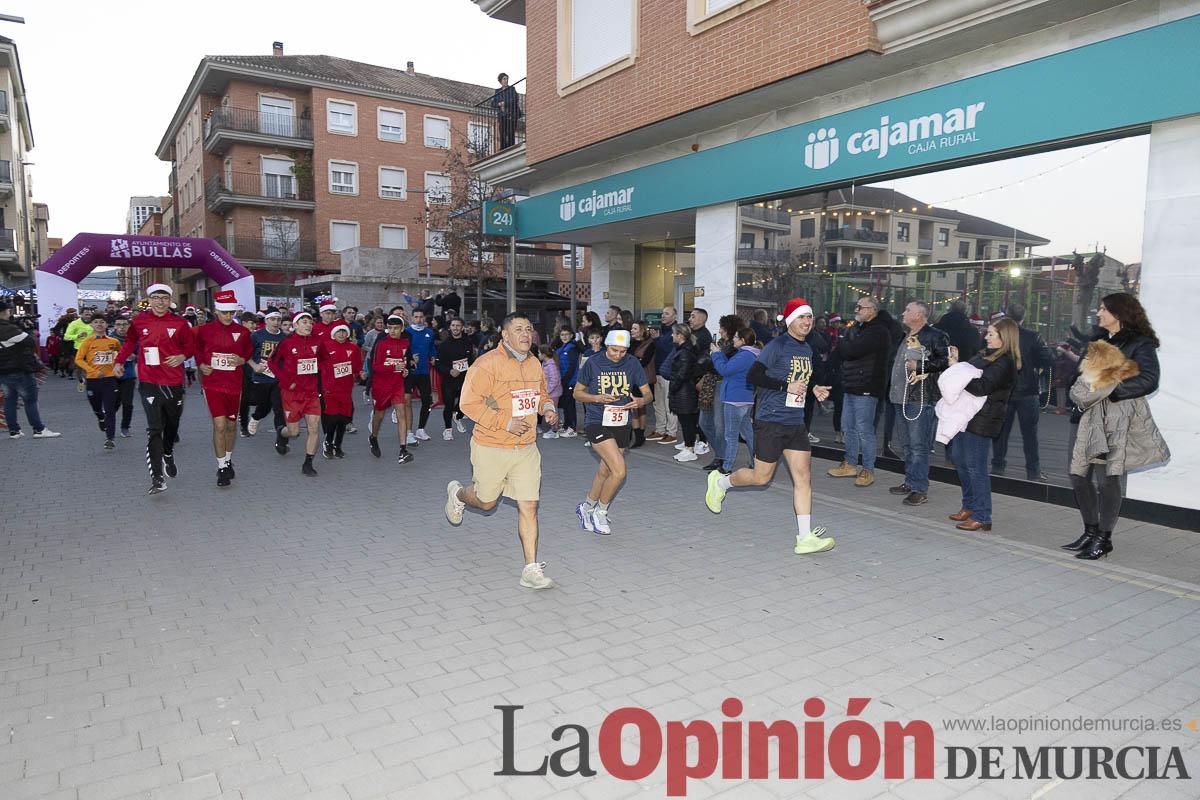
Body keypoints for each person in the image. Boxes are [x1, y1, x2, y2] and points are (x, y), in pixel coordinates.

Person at [703, 297, 837, 555]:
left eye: (809, 317)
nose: (807, 322)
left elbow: (799, 382)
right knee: (760, 477)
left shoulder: (806, 350)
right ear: (790, 321)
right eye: (801, 317)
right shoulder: (777, 346)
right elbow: (754, 376)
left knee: (803, 478)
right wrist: (786, 386)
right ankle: (720, 483)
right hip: (771, 420)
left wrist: (813, 389)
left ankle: (805, 537)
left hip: (795, 422)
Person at [444, 312, 558, 589]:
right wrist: (505, 422)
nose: (525, 334)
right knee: (486, 502)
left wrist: (548, 407)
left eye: (529, 329)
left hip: (527, 447)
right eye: (518, 329)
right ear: (505, 335)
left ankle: (531, 569)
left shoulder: (534, 364)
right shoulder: (486, 364)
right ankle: (458, 493)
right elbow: (468, 404)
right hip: (491, 446)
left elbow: (541, 394)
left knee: (529, 506)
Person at [1062, 293, 1167, 561]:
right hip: (1084, 417)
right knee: (1078, 475)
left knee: (1108, 480)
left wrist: (1112, 391)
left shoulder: (1139, 344)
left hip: (1114, 421)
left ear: (1119, 313)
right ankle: (1090, 530)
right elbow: (1079, 376)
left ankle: (1104, 538)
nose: (1098, 313)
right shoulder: (1096, 342)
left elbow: (1149, 380)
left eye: (1104, 309)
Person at [114, 284, 195, 494]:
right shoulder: (140, 321)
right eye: (156, 298)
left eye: (164, 298)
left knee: (172, 426)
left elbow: (191, 346)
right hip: (149, 381)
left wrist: (182, 356)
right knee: (154, 428)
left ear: (170, 300)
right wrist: (119, 361)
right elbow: (130, 341)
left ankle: (168, 452)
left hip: (174, 382)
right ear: (149, 300)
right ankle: (157, 478)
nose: (160, 302)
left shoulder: (180, 323)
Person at [572, 330, 651, 534]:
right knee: (619, 471)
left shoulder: (632, 363)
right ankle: (601, 511)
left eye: (623, 351)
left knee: (605, 470)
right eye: (615, 350)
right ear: (607, 346)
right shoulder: (592, 362)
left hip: (622, 421)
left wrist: (641, 401)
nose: (618, 355)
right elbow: (577, 393)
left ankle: (586, 507)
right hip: (597, 420)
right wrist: (598, 398)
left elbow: (648, 394)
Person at [946, 318, 1019, 532]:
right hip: (966, 415)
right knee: (959, 459)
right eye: (987, 332)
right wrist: (957, 364)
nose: (986, 336)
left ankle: (982, 515)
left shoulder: (1005, 362)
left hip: (984, 418)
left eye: (991, 334)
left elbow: (981, 387)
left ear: (1004, 338)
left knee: (975, 466)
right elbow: (967, 373)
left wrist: (957, 371)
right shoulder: (984, 354)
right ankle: (969, 506)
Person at [887, 300, 950, 506]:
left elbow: (944, 362)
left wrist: (920, 365)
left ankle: (920, 488)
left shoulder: (935, 335)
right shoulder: (906, 336)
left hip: (919, 398)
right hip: (900, 397)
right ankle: (910, 481)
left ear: (920, 315)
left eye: (908, 309)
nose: (903, 312)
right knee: (907, 444)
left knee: (918, 445)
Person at [828, 296, 895, 488]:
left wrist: (844, 345)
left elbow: (851, 351)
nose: (856, 309)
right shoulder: (859, 329)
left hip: (867, 386)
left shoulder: (879, 331)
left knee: (864, 429)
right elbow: (845, 350)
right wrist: (845, 346)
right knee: (847, 426)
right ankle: (850, 463)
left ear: (872, 310)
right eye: (856, 306)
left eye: (861, 307)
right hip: (851, 384)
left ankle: (868, 469)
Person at [194, 291, 254, 487]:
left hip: (234, 384)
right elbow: (196, 350)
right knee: (219, 425)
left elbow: (247, 353)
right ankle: (221, 468)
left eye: (231, 312)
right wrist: (201, 365)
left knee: (230, 425)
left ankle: (228, 460)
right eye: (224, 312)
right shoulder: (204, 330)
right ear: (216, 311)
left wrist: (241, 360)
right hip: (213, 384)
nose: (228, 316)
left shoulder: (243, 332)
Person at [989, 304, 1053, 481]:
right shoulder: (1033, 337)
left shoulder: (997, 336)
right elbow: (1048, 359)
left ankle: (998, 466)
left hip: (1003, 390)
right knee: (1030, 434)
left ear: (1007, 316)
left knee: (1001, 431)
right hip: (1028, 390)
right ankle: (1033, 470)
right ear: (1023, 318)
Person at [269, 311, 324, 476]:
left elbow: (325, 362)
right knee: (294, 432)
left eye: (310, 322)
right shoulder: (286, 343)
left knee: (314, 428)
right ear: (296, 325)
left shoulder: (318, 342)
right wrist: (286, 381)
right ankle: (281, 432)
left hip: (311, 393)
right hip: (291, 394)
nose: (308, 325)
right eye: (304, 322)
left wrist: (324, 385)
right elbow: (272, 363)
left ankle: (308, 463)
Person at [0, 300, 60, 440]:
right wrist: (29, 329)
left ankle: (14, 431)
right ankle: (38, 429)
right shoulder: (7, 328)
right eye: (9, 311)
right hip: (19, 369)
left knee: (10, 400)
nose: (10, 314)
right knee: (30, 400)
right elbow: (30, 342)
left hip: (3, 370)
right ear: (3, 312)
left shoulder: (8, 327)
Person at [364, 314, 415, 464]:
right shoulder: (381, 344)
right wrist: (393, 367)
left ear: (402, 329)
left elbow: (403, 363)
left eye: (396, 328)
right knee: (379, 415)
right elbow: (375, 366)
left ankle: (403, 450)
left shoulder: (406, 343)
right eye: (390, 328)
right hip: (381, 386)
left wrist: (405, 370)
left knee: (401, 414)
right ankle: (373, 436)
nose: (393, 331)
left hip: (397, 385)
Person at [710, 326, 760, 474]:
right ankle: (756, 463)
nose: (733, 339)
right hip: (745, 399)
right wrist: (720, 354)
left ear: (743, 340)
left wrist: (716, 354)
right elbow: (731, 368)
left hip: (734, 400)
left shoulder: (745, 356)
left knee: (730, 436)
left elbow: (724, 370)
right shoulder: (749, 354)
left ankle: (726, 467)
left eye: (736, 337)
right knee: (748, 434)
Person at [74, 314, 122, 449]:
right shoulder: (87, 342)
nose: (99, 324)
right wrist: (93, 371)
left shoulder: (113, 341)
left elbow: (121, 356)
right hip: (93, 380)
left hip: (110, 379)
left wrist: (119, 367)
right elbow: (78, 360)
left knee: (110, 410)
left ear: (107, 325)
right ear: (91, 325)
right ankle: (100, 418)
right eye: (96, 322)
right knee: (96, 406)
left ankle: (110, 438)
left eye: (102, 322)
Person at [320, 323, 363, 459]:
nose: (342, 334)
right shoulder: (325, 346)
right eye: (339, 331)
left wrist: (361, 373)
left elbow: (357, 366)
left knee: (343, 420)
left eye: (344, 332)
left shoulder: (353, 348)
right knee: (332, 419)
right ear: (334, 333)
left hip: (346, 390)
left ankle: (338, 445)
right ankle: (328, 442)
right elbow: (318, 364)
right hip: (330, 389)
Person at [247, 310, 287, 438]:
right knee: (264, 407)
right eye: (272, 319)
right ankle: (256, 417)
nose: (276, 322)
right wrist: (255, 366)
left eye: (278, 320)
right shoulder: (256, 336)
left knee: (279, 408)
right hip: (261, 377)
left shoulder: (285, 338)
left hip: (278, 379)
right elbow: (246, 354)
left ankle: (281, 439)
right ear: (266, 321)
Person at [666, 324, 702, 462]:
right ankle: (689, 446)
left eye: (674, 333)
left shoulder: (685, 352)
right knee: (687, 421)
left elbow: (682, 373)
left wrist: (673, 387)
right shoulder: (684, 349)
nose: (672, 336)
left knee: (687, 421)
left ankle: (689, 448)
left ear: (680, 336)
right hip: (684, 391)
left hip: (684, 392)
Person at [436, 317, 474, 440]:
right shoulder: (444, 345)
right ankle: (448, 430)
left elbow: (471, 360)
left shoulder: (467, 342)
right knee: (448, 405)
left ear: (462, 327)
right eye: (453, 325)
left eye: (458, 325)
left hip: (464, 379)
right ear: (450, 327)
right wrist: (449, 371)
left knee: (465, 403)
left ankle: (457, 416)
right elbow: (438, 364)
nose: (455, 328)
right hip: (449, 380)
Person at [406, 309, 438, 442]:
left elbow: (431, 348)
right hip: (409, 372)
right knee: (406, 401)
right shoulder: (406, 332)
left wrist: (433, 356)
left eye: (421, 317)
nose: (418, 319)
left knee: (427, 401)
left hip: (424, 372)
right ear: (412, 318)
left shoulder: (430, 333)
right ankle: (408, 431)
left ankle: (421, 429)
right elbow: (402, 349)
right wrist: (409, 358)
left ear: (424, 318)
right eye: (416, 317)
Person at [650, 306, 679, 444]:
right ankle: (660, 430)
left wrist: (657, 339)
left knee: (669, 404)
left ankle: (671, 433)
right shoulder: (661, 330)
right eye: (662, 313)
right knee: (658, 403)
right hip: (657, 372)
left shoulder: (676, 331)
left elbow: (670, 349)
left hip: (669, 373)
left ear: (674, 316)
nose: (663, 316)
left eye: (667, 313)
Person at [629, 320, 657, 448]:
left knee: (641, 407)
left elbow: (644, 361)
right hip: (630, 379)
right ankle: (636, 434)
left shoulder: (650, 343)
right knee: (633, 408)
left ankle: (640, 436)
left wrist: (634, 362)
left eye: (635, 329)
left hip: (643, 380)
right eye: (632, 329)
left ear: (641, 330)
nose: (632, 331)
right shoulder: (630, 343)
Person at [111, 317, 137, 438]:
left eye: (124, 324)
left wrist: (133, 356)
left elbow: (140, 354)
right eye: (119, 324)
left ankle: (125, 427)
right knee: (114, 402)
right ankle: (109, 423)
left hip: (128, 375)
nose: (121, 327)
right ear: (114, 326)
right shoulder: (109, 339)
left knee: (127, 403)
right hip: (112, 375)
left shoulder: (134, 339)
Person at [554, 327, 581, 437]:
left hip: (570, 381)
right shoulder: (561, 348)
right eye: (562, 335)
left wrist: (565, 380)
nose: (564, 337)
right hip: (563, 381)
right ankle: (566, 425)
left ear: (571, 335)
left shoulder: (572, 348)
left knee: (570, 405)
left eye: (566, 334)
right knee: (565, 404)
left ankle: (572, 428)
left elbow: (572, 366)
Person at [236, 312, 260, 437]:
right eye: (251, 323)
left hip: (255, 369)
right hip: (242, 369)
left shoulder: (255, 335)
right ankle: (244, 426)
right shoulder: (238, 335)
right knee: (244, 399)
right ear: (244, 323)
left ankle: (253, 418)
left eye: (255, 323)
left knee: (259, 398)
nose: (254, 325)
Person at [64, 309, 94, 392]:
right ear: (81, 314)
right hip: (78, 348)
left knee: (89, 367)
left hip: (92, 348)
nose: (88, 316)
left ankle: (89, 384)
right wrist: (78, 336)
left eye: (89, 314)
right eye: (86, 314)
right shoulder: (74, 324)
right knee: (79, 368)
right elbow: (66, 336)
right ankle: (81, 381)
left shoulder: (94, 323)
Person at [491, 72, 522, 150]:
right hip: (502, 115)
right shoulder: (497, 91)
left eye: (507, 79)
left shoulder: (512, 89)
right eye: (504, 79)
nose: (506, 80)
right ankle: (503, 149)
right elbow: (492, 104)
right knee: (502, 132)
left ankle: (511, 148)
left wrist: (504, 103)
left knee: (510, 132)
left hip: (511, 114)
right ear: (500, 81)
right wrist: (499, 104)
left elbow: (515, 99)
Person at [538, 344, 563, 437]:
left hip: (553, 393)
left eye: (539, 353)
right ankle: (552, 429)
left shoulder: (551, 365)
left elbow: (554, 380)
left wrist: (547, 391)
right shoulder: (545, 364)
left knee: (553, 411)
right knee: (551, 410)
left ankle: (554, 431)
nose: (538, 355)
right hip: (550, 392)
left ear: (544, 354)